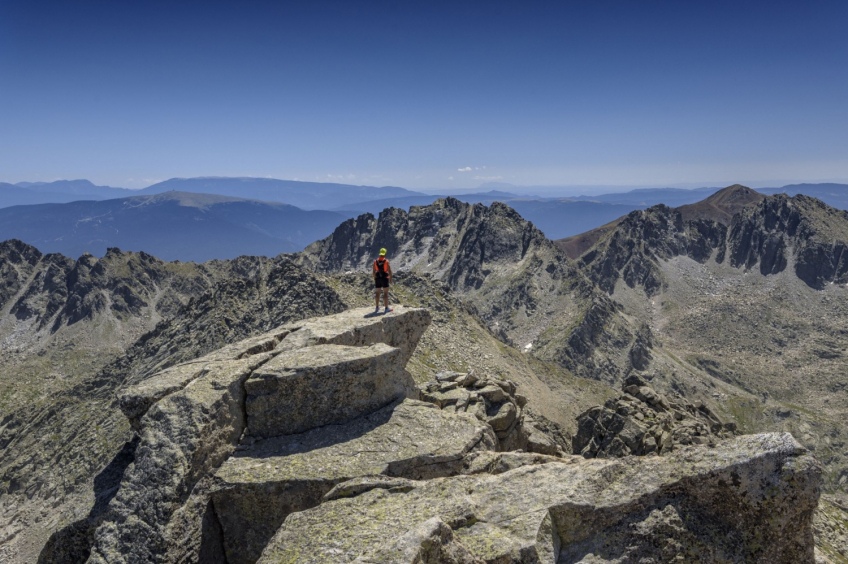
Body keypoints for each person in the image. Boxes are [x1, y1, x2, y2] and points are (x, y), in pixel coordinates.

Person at [373, 247, 393, 313]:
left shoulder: (375, 261)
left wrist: (375, 278)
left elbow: (373, 271)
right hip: (384, 278)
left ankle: (377, 307)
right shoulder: (386, 261)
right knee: (385, 293)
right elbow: (389, 270)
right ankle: (386, 308)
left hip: (378, 278)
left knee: (377, 293)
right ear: (385, 253)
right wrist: (390, 278)